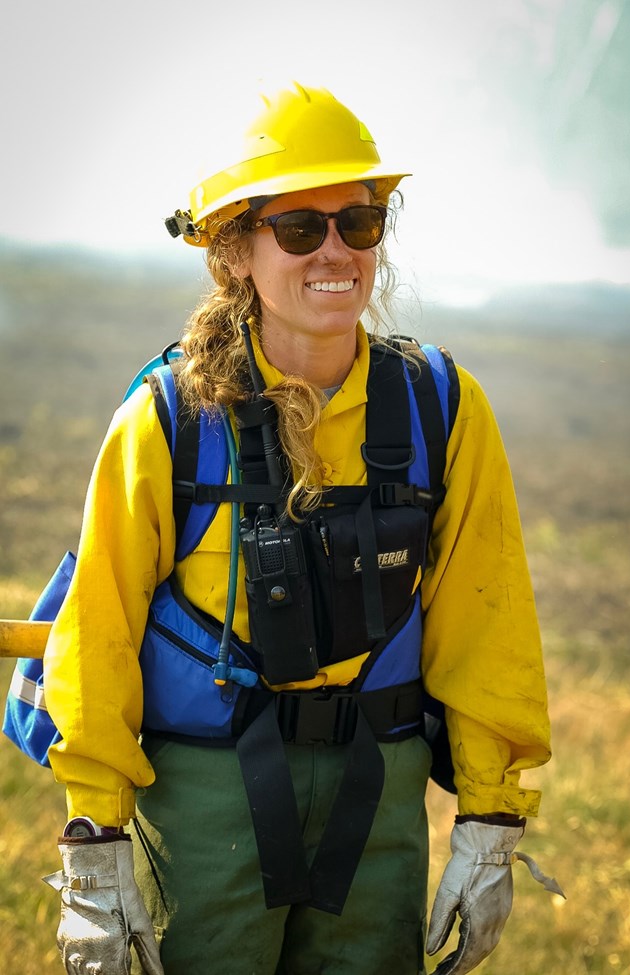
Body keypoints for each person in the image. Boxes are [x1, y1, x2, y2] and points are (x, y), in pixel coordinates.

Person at [42, 82, 559, 975]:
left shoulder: (443, 408)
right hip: (206, 790)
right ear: (235, 249)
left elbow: (487, 623)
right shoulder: (169, 420)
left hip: (379, 783)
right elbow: (100, 628)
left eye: (358, 224)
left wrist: (489, 819)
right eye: (298, 228)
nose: (335, 251)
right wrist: (95, 843)